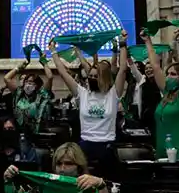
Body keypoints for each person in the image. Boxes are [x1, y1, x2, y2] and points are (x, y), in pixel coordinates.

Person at [49, 32, 128, 167]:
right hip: (85, 145)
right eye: (89, 76)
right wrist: (53, 51)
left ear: (103, 78)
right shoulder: (82, 93)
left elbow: (122, 70)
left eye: (95, 76)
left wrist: (122, 44)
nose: (91, 79)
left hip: (107, 145)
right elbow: (62, 73)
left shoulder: (113, 94)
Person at [144, 20, 179, 160]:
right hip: (162, 151)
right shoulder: (166, 93)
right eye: (168, 74)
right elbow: (156, 66)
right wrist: (147, 41)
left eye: (173, 74)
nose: (168, 77)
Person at [3, 142, 110, 193]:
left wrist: (101, 185)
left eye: (68, 164)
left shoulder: (88, 187)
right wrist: (8, 181)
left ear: (79, 166)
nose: (62, 168)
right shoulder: (45, 186)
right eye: (59, 163)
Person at [3, 60, 54, 134]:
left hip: (38, 133)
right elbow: (6, 78)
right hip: (20, 133)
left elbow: (50, 77)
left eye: (31, 82)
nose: (27, 84)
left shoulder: (42, 95)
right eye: (26, 82)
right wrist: (19, 68)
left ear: (37, 85)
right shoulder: (19, 94)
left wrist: (44, 63)